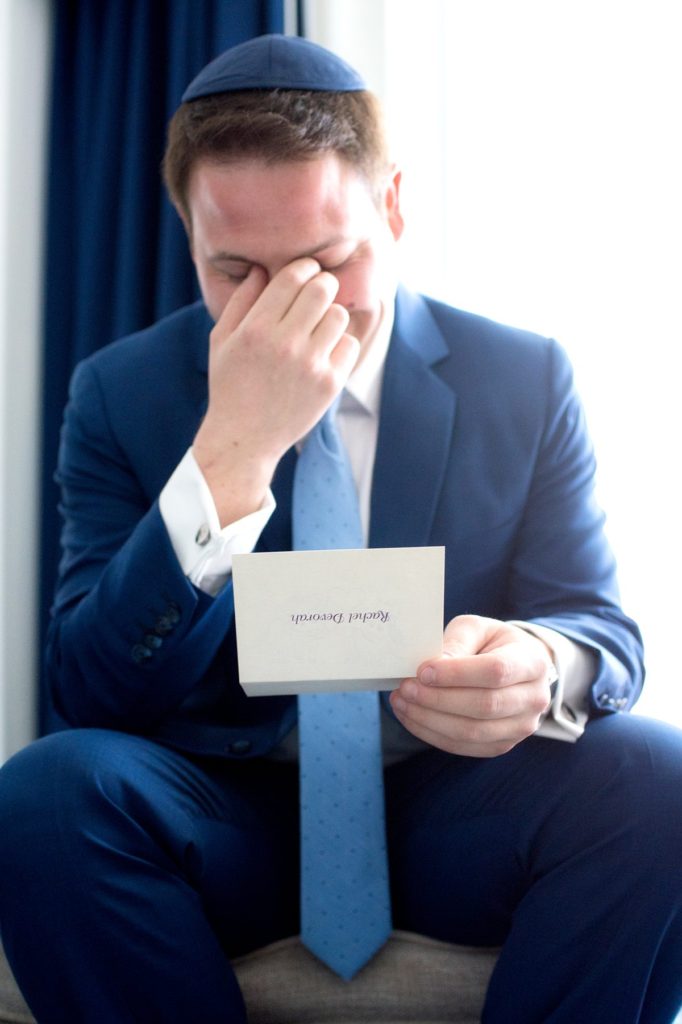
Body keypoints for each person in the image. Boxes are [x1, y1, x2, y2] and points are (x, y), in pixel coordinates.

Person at [0, 33, 681, 1024]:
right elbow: (92, 685)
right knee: (45, 791)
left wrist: (538, 662)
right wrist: (229, 458)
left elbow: (600, 633)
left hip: (457, 810)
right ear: (187, 238)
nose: (290, 306)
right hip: (225, 814)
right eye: (235, 270)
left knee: (659, 775)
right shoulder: (118, 392)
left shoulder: (522, 376)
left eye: (327, 259)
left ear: (393, 208)